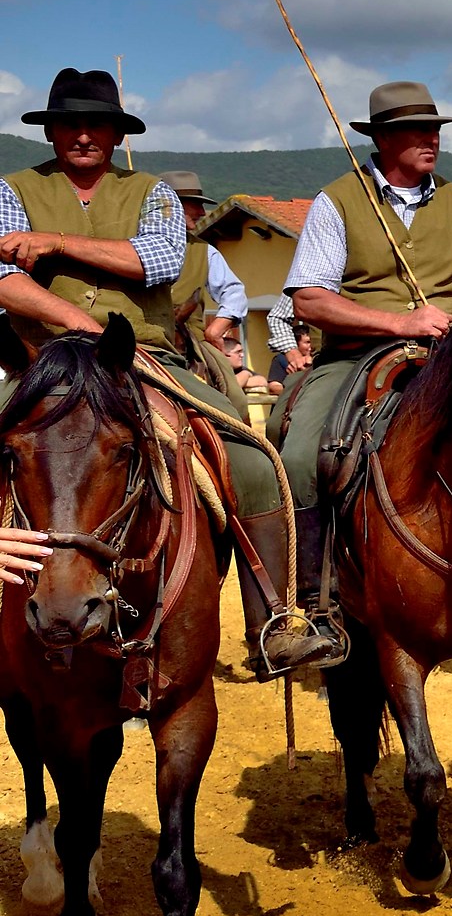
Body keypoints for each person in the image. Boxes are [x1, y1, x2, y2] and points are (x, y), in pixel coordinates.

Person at [0, 68, 338, 673]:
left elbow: (156, 260)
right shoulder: (10, 189)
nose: (83, 135)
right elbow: (4, 282)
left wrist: (53, 243)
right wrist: (81, 327)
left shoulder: (152, 192)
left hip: (145, 356)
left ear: (114, 132)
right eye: (70, 124)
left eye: (96, 124)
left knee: (254, 458)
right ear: (50, 132)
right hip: (41, 362)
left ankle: (276, 623)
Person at [273, 81, 452, 651]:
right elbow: (310, 301)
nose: (432, 140)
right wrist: (400, 323)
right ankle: (309, 611)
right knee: (299, 450)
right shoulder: (338, 200)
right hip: (355, 357)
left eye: (436, 130)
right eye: (419, 130)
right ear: (383, 138)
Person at [163, 170, 251, 379]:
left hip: (191, 341)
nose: (203, 212)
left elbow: (234, 292)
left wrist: (217, 328)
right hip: (137, 340)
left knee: (235, 398)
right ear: (169, 205)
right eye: (195, 204)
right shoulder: (128, 244)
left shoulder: (205, 251)